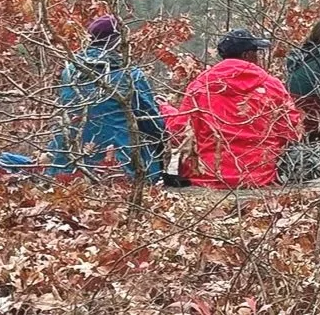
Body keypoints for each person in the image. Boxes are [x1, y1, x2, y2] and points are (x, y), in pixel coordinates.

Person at [166, 28, 305, 188]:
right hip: (259, 177)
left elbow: (179, 131)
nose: (258, 56)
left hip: (208, 177)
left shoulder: (199, 87)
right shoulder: (272, 86)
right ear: (246, 55)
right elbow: (292, 131)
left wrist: (166, 110)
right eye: (255, 51)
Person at [46, 14, 167, 181]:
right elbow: (152, 123)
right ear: (118, 40)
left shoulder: (70, 71)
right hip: (118, 167)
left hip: (66, 164)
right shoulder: (130, 75)